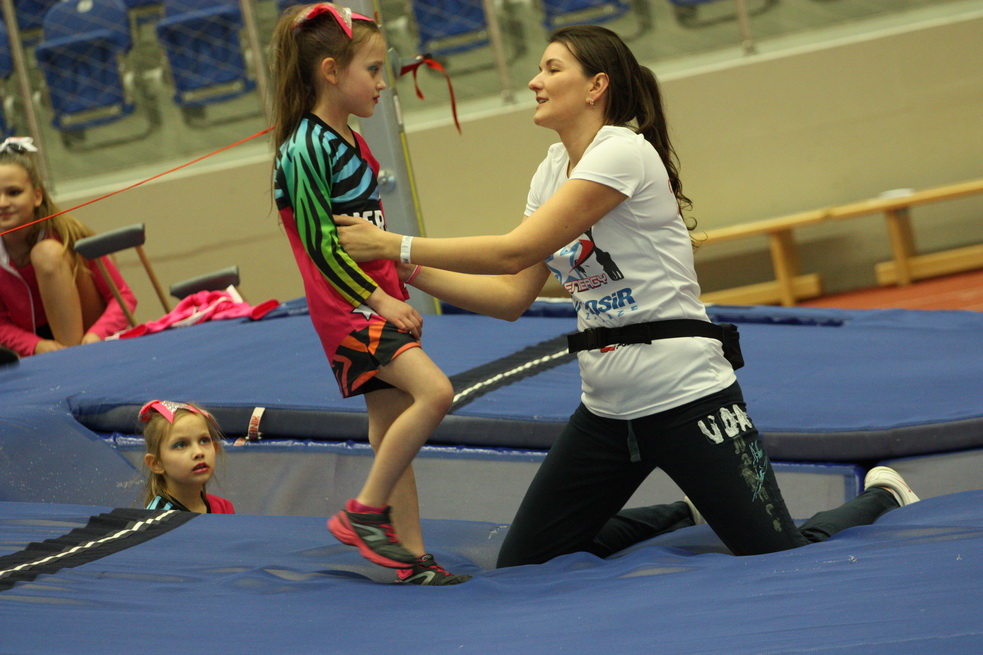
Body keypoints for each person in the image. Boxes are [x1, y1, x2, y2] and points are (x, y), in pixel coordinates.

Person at [335, 25, 920, 568]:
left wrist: (394, 243)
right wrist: (405, 271)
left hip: (689, 398)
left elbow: (514, 251)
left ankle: (883, 496)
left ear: (597, 87)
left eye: (552, 69)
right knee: (525, 563)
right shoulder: (551, 171)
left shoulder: (622, 152)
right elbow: (512, 295)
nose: (534, 82)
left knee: (779, 553)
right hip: (608, 413)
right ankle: (680, 514)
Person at [268, 3, 469, 585]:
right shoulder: (305, 148)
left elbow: (367, 234)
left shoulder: (347, 139)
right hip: (348, 309)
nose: (384, 83)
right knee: (435, 393)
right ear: (331, 72)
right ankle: (364, 511)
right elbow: (321, 246)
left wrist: (396, 280)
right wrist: (381, 301)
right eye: (374, 70)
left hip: (369, 298)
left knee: (392, 424)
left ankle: (410, 558)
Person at [0, 137, 136, 357]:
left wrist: (97, 334)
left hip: (88, 339)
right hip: (41, 348)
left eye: (14, 192)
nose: (3, 203)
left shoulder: (67, 233)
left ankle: (73, 361)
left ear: (37, 196)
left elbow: (123, 298)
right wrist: (35, 345)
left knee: (46, 253)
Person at [140, 400, 235, 514]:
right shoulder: (157, 518)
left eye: (204, 441)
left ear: (215, 449)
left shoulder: (223, 508)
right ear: (156, 463)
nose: (198, 452)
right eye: (181, 445)